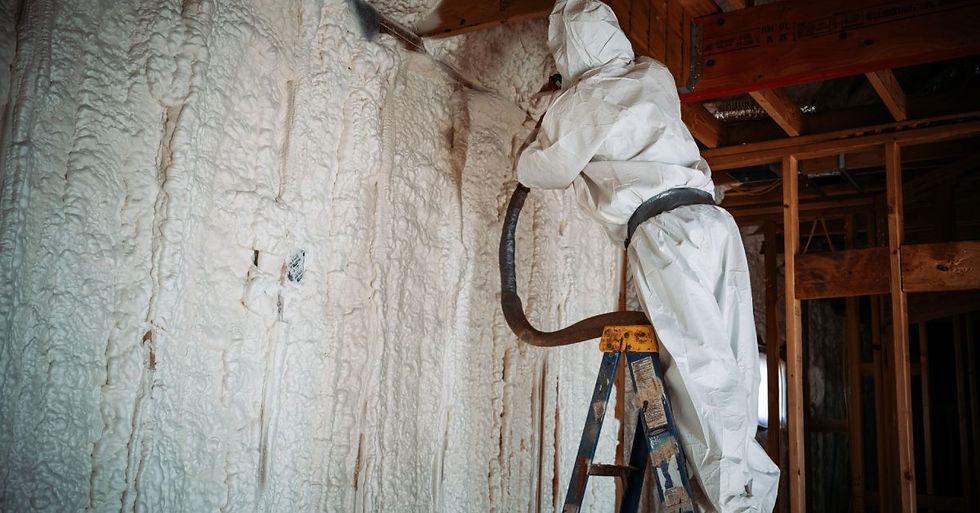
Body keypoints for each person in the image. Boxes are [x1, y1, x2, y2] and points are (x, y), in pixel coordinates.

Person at [515, 1, 780, 511]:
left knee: (701, 367)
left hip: (666, 234)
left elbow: (543, 169)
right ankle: (754, 495)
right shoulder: (652, 74)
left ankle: (733, 507)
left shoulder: (584, 100)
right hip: (712, 219)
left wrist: (537, 135)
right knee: (737, 364)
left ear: (567, 51)